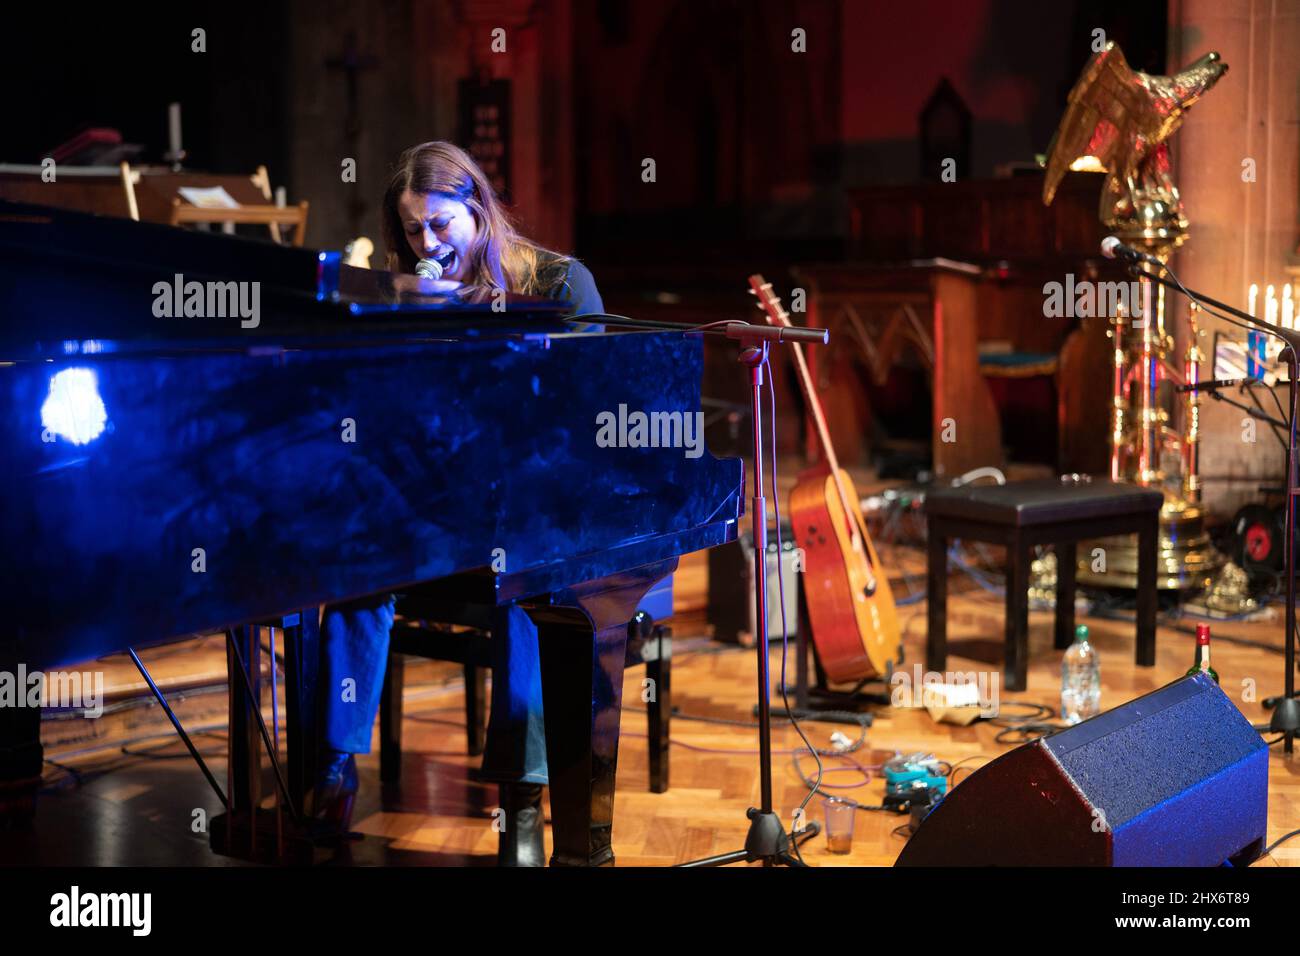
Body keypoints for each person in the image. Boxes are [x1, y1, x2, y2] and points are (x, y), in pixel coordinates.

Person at [313, 141, 603, 867]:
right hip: (441, 504)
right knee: (356, 560)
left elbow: (589, 414)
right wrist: (393, 318)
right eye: (414, 232)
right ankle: (333, 765)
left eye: (442, 225)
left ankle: (524, 797)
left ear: (477, 208)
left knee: (523, 573)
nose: (428, 245)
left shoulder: (560, 282)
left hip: (541, 503)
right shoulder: (406, 292)